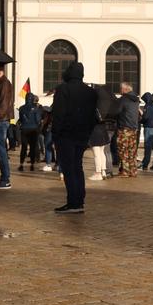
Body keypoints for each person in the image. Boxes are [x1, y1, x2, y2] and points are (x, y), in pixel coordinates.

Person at [49, 62, 97, 214]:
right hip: (82, 135)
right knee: (77, 167)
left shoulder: (63, 89)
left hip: (66, 135)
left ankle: (73, 203)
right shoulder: (90, 92)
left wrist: (56, 134)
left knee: (69, 169)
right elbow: (92, 116)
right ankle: (79, 201)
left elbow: (58, 114)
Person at [115, 83, 141, 177]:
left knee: (123, 150)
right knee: (132, 151)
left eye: (121, 89)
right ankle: (133, 171)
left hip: (124, 128)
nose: (120, 91)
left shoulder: (124, 99)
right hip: (134, 128)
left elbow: (117, 111)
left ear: (125, 89)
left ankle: (125, 171)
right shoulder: (136, 100)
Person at [16, 92, 43, 171]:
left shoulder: (21, 108)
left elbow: (21, 119)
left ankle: (21, 165)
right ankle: (32, 165)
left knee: (24, 148)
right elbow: (38, 120)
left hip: (24, 129)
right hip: (33, 130)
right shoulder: (36, 108)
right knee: (32, 147)